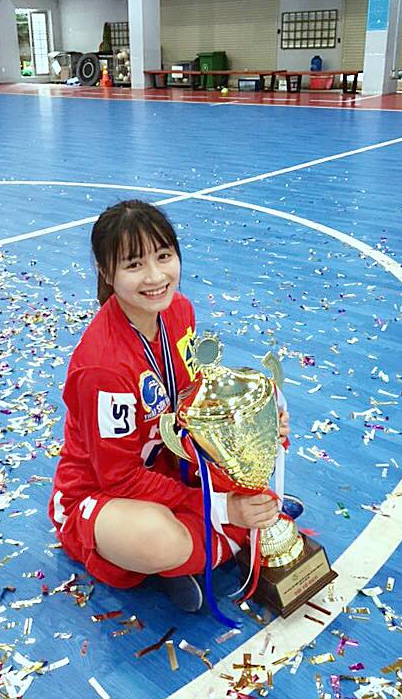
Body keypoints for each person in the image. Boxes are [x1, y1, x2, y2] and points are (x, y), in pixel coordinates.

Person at [48, 200, 290, 612]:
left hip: (169, 462)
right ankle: (192, 552)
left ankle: (197, 552)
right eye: (134, 264)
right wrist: (223, 508)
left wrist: (252, 424)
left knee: (248, 468)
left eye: (163, 256)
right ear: (106, 273)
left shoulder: (179, 311)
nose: (156, 276)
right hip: (102, 492)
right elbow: (119, 479)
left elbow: (192, 398)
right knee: (156, 539)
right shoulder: (102, 367)